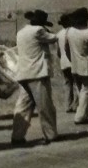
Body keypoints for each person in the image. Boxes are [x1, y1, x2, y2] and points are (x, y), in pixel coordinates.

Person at [12, 9, 58, 145]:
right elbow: (54, 38)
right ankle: (50, 134)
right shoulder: (38, 31)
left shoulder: (21, 32)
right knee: (45, 106)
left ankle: (17, 135)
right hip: (37, 73)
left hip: (23, 73)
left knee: (23, 106)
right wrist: (46, 29)